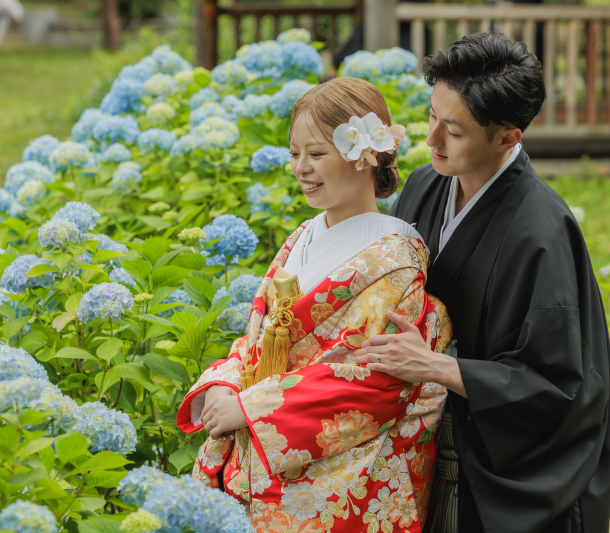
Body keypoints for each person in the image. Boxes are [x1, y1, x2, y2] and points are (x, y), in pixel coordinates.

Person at [354, 33, 610, 533]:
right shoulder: (424, 185)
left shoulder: (542, 233)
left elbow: (559, 386)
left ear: (507, 138)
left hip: (502, 465)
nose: (431, 140)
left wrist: (438, 366)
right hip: (425, 441)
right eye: (432, 116)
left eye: (451, 129)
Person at [177, 77, 452, 531]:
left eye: (317, 154)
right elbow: (260, 338)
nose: (301, 167)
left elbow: (374, 379)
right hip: (270, 441)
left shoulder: (396, 259)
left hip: (337, 468)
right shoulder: (302, 237)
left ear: (364, 157)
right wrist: (226, 383)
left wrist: (254, 409)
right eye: (294, 153)